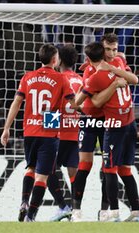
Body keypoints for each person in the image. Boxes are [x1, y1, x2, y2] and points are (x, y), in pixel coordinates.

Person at [1, 44, 76, 222]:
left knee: (31, 168)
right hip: (49, 127)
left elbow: (16, 103)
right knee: (42, 176)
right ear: (55, 59)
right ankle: (31, 216)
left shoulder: (28, 77)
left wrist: (6, 128)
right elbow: (73, 105)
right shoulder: (60, 78)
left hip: (30, 129)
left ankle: (24, 202)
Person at [71, 33, 136, 222]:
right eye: (108, 49)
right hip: (91, 119)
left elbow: (130, 79)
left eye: (114, 49)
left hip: (110, 120)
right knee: (85, 165)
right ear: (101, 48)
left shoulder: (119, 61)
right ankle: (76, 210)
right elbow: (94, 101)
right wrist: (115, 84)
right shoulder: (90, 70)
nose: (111, 53)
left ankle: (104, 211)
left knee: (107, 167)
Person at [47, 45, 82, 221]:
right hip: (75, 132)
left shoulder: (57, 79)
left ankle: (63, 206)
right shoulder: (81, 80)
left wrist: (47, 131)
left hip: (59, 133)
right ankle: (76, 212)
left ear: (59, 60)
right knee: (74, 173)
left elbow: (52, 106)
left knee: (47, 170)